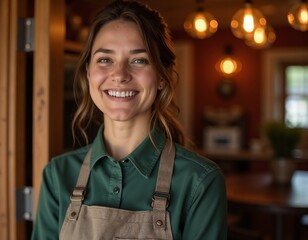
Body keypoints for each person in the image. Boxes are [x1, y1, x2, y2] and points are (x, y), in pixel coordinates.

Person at [31, 0, 227, 239]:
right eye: (105, 59)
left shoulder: (199, 181)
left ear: (162, 77)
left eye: (138, 60)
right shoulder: (58, 175)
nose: (120, 75)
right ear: (88, 73)